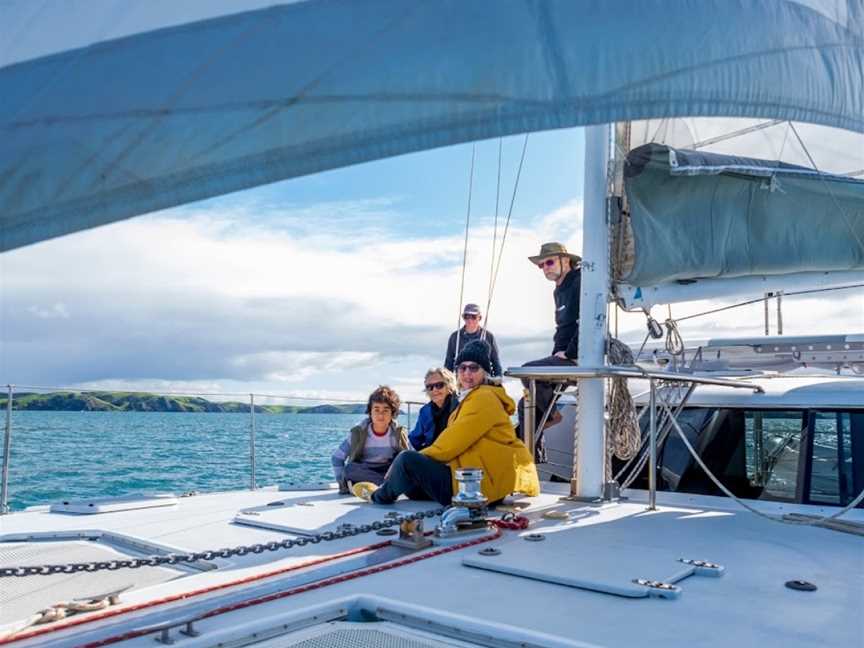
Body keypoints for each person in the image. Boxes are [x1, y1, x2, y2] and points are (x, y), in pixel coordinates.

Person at [363, 340, 540, 506]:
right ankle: (387, 487)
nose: (467, 373)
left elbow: (450, 444)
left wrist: (400, 463)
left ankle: (376, 497)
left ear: (484, 372)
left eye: (473, 368)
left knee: (406, 460)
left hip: (481, 486)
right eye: (462, 368)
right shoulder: (472, 398)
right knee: (410, 483)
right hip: (474, 477)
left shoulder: (483, 398)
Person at [519, 242, 582, 436]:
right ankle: (529, 458)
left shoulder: (580, 281)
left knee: (527, 371)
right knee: (525, 405)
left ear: (565, 260)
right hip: (563, 357)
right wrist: (556, 354)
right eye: (541, 265)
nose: (545, 268)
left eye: (549, 262)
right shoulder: (558, 290)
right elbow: (563, 328)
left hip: (578, 358)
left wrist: (570, 353)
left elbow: (588, 321)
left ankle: (553, 415)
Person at [331, 386, 409, 494]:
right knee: (350, 469)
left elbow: (409, 458)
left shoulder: (398, 433)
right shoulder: (358, 432)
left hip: (388, 471)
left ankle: (383, 487)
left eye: (386, 410)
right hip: (364, 471)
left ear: (393, 413)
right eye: (376, 409)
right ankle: (387, 487)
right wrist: (341, 483)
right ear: (370, 412)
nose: (380, 415)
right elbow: (337, 458)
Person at [444, 303, 502, 377]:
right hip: (461, 382)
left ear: (479, 318)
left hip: (483, 383)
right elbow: (448, 363)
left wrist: (498, 379)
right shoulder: (454, 337)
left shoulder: (488, 336)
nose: (470, 320)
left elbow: (495, 362)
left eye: (473, 317)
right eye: (466, 316)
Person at [408, 367, 458, 451]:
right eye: (430, 387)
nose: (434, 390)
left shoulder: (459, 406)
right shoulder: (425, 411)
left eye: (439, 385)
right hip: (432, 455)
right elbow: (415, 439)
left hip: (454, 455)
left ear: (449, 386)